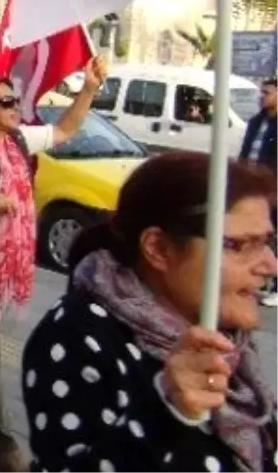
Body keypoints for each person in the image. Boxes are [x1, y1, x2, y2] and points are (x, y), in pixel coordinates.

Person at [22, 152, 278, 473]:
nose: (270, 265)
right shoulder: (79, 333)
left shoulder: (222, 332)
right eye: (239, 245)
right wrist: (168, 413)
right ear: (158, 248)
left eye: (267, 242)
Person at [0, 60, 105, 473]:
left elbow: (64, 130)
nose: (16, 107)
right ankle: (5, 448)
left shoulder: (16, 140)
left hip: (4, 259)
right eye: (6, 101)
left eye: (15, 99)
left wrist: (88, 89)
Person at [239, 78, 278, 307]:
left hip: (273, 191)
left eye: (267, 93)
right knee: (256, 236)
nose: (262, 97)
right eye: (261, 93)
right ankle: (258, 282)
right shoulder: (256, 121)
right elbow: (246, 154)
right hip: (252, 189)